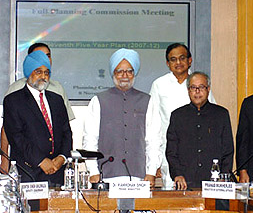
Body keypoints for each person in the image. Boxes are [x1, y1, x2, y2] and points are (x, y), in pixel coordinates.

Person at [82, 48, 161, 187]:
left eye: (129, 71)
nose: (124, 75)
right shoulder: (98, 100)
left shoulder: (148, 101)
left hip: (140, 177)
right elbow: (90, 139)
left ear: (134, 73)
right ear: (113, 73)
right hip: (106, 176)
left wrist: (151, 172)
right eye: (119, 71)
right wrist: (93, 171)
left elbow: (154, 140)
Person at [149, 43, 215, 189]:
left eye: (182, 58)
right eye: (173, 59)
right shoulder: (159, 85)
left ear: (189, 60)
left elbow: (213, 116)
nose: (178, 63)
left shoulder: (199, 83)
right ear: (167, 63)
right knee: (172, 196)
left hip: (200, 153)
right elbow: (153, 124)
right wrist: (155, 162)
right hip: (171, 153)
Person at [1, 43, 75, 173]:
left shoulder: (56, 99)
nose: (43, 77)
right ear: (29, 72)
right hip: (28, 171)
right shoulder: (13, 100)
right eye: (38, 72)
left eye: (46, 73)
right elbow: (16, 136)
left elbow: (66, 133)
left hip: (57, 170)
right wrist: (41, 161)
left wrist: (62, 157)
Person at [166, 72, 233, 190]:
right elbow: (171, 151)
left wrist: (224, 176)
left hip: (215, 181)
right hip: (185, 182)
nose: (197, 91)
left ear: (208, 89)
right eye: (193, 88)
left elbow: (228, 150)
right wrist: (177, 174)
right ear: (188, 90)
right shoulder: (177, 116)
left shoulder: (221, 114)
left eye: (201, 87)